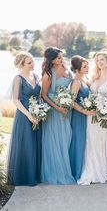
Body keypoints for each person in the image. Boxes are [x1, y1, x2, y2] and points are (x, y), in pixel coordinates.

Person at [77, 52, 107, 185]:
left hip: (106, 116)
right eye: (97, 60)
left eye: (102, 59)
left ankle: (103, 170)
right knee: (91, 141)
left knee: (103, 141)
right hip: (92, 116)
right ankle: (91, 170)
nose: (99, 62)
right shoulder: (94, 78)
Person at [41, 47, 75, 184]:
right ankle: (56, 173)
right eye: (58, 58)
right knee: (54, 141)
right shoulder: (48, 74)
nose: (61, 60)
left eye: (61, 57)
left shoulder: (68, 71)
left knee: (66, 138)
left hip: (66, 109)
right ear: (52, 60)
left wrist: (66, 103)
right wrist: (57, 107)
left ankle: (66, 169)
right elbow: (44, 95)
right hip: (54, 111)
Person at [7, 52, 41, 186]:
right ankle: (23, 177)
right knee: (25, 144)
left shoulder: (37, 76)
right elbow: (15, 100)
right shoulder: (18, 78)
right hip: (24, 115)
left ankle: (34, 175)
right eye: (29, 62)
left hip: (37, 114)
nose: (33, 64)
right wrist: (28, 115)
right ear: (22, 64)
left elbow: (40, 96)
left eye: (33, 61)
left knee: (35, 143)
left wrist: (40, 112)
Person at [69, 55, 95, 180]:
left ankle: (86, 166)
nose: (87, 68)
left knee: (86, 141)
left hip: (87, 116)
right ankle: (77, 170)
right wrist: (85, 111)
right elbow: (71, 102)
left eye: (87, 65)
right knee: (79, 141)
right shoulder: (76, 82)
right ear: (77, 68)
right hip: (79, 117)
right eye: (84, 66)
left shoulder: (85, 79)